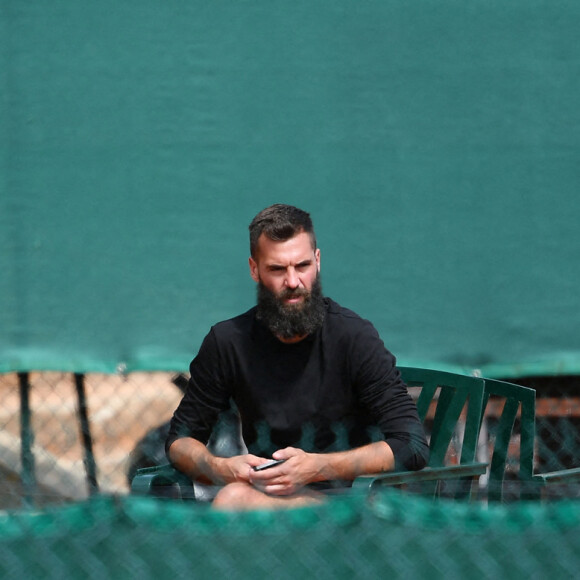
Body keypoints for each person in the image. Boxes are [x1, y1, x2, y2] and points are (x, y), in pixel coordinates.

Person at [166, 204, 429, 510]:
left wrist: (318, 467)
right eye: (277, 269)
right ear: (254, 270)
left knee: (233, 502)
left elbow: (411, 444)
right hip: (271, 502)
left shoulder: (354, 337)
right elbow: (180, 441)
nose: (293, 282)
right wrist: (221, 468)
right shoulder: (228, 342)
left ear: (317, 262)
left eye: (302, 266)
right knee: (234, 497)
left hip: (356, 506)